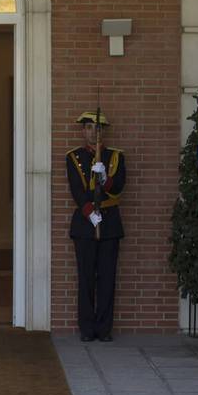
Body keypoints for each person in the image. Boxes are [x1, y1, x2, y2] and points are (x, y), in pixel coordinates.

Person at [66, 111, 126, 342]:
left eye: (98, 128)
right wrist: (90, 213)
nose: (93, 132)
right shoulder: (74, 157)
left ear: (104, 131)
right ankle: (87, 329)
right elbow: (77, 190)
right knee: (86, 278)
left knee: (107, 278)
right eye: (89, 127)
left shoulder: (116, 157)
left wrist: (105, 179)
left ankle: (104, 329)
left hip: (109, 222)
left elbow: (119, 187)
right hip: (85, 223)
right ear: (83, 131)